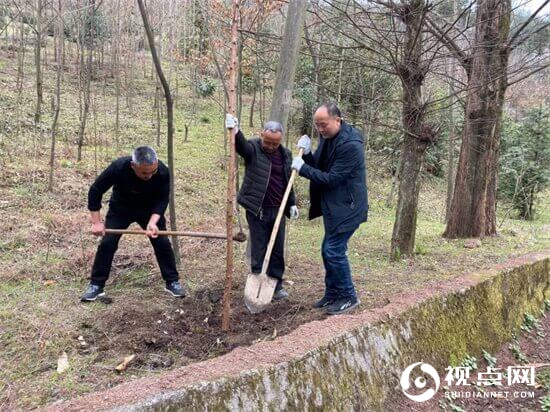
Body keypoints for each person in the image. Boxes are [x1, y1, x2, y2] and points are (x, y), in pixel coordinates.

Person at [80, 146, 186, 301]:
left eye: (152, 171)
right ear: (133, 165)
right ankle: (96, 285)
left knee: (162, 242)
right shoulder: (119, 167)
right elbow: (95, 190)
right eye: (144, 173)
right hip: (121, 208)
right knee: (107, 243)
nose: (149, 176)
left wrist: (153, 221)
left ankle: (172, 281)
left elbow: (163, 199)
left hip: (149, 211)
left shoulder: (163, 171)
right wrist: (96, 222)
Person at [291, 102, 368, 315]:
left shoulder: (351, 145)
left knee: (333, 250)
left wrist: (303, 169)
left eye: (323, 124)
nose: (320, 129)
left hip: (349, 206)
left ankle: (348, 296)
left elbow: (332, 179)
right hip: (336, 206)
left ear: (337, 120)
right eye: (317, 125)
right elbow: (320, 166)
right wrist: (306, 155)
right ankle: (333, 293)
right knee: (329, 250)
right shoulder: (328, 138)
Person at [225, 114, 299, 300]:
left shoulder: (285, 154)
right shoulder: (253, 148)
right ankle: (257, 278)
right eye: (268, 142)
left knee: (277, 248)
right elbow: (241, 147)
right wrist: (236, 131)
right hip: (257, 208)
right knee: (258, 247)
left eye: (275, 143)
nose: (271, 147)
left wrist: (292, 203)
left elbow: (288, 181)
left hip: (278, 209)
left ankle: (276, 284)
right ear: (261, 136)